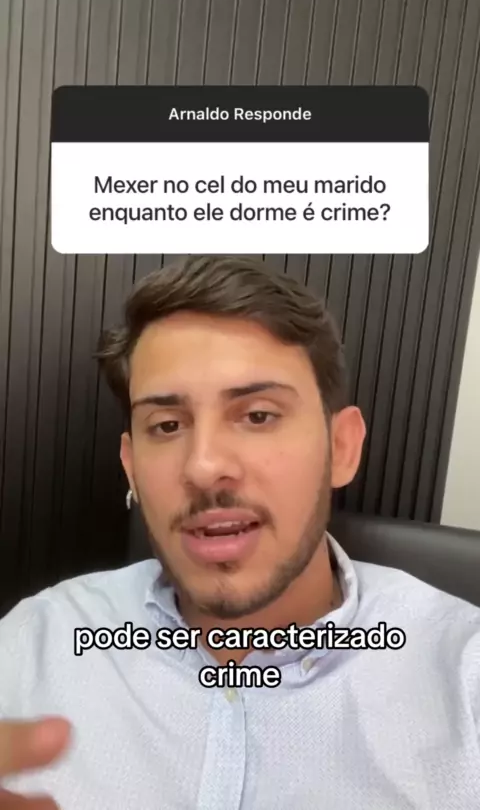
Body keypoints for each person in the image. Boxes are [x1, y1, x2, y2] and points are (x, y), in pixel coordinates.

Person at [0, 254, 479, 810]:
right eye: (167, 425)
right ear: (131, 468)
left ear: (342, 448)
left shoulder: (463, 680)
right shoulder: (34, 645)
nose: (204, 467)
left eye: (258, 416)